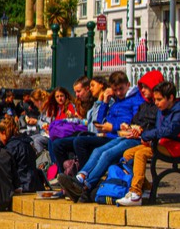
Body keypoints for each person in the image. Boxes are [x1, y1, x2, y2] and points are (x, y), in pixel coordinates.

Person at [60, 70, 164, 203]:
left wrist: (126, 128)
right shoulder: (140, 104)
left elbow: (155, 126)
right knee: (97, 150)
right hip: (126, 135)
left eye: (145, 87)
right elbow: (105, 120)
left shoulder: (144, 102)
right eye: (141, 87)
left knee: (106, 153)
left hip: (137, 139)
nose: (142, 90)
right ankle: (80, 177)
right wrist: (105, 103)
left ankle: (86, 186)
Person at [114, 80, 180, 206]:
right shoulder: (163, 109)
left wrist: (147, 136)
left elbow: (169, 130)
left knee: (140, 154)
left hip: (175, 146)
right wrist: (142, 131)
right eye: (155, 99)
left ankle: (135, 193)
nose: (156, 103)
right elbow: (159, 130)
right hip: (163, 143)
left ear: (171, 98)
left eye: (159, 99)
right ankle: (147, 187)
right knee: (127, 155)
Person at [0, 116, 45, 193]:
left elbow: (6, 169)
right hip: (35, 183)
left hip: (23, 185)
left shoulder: (12, 147)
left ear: (4, 133)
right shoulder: (25, 142)